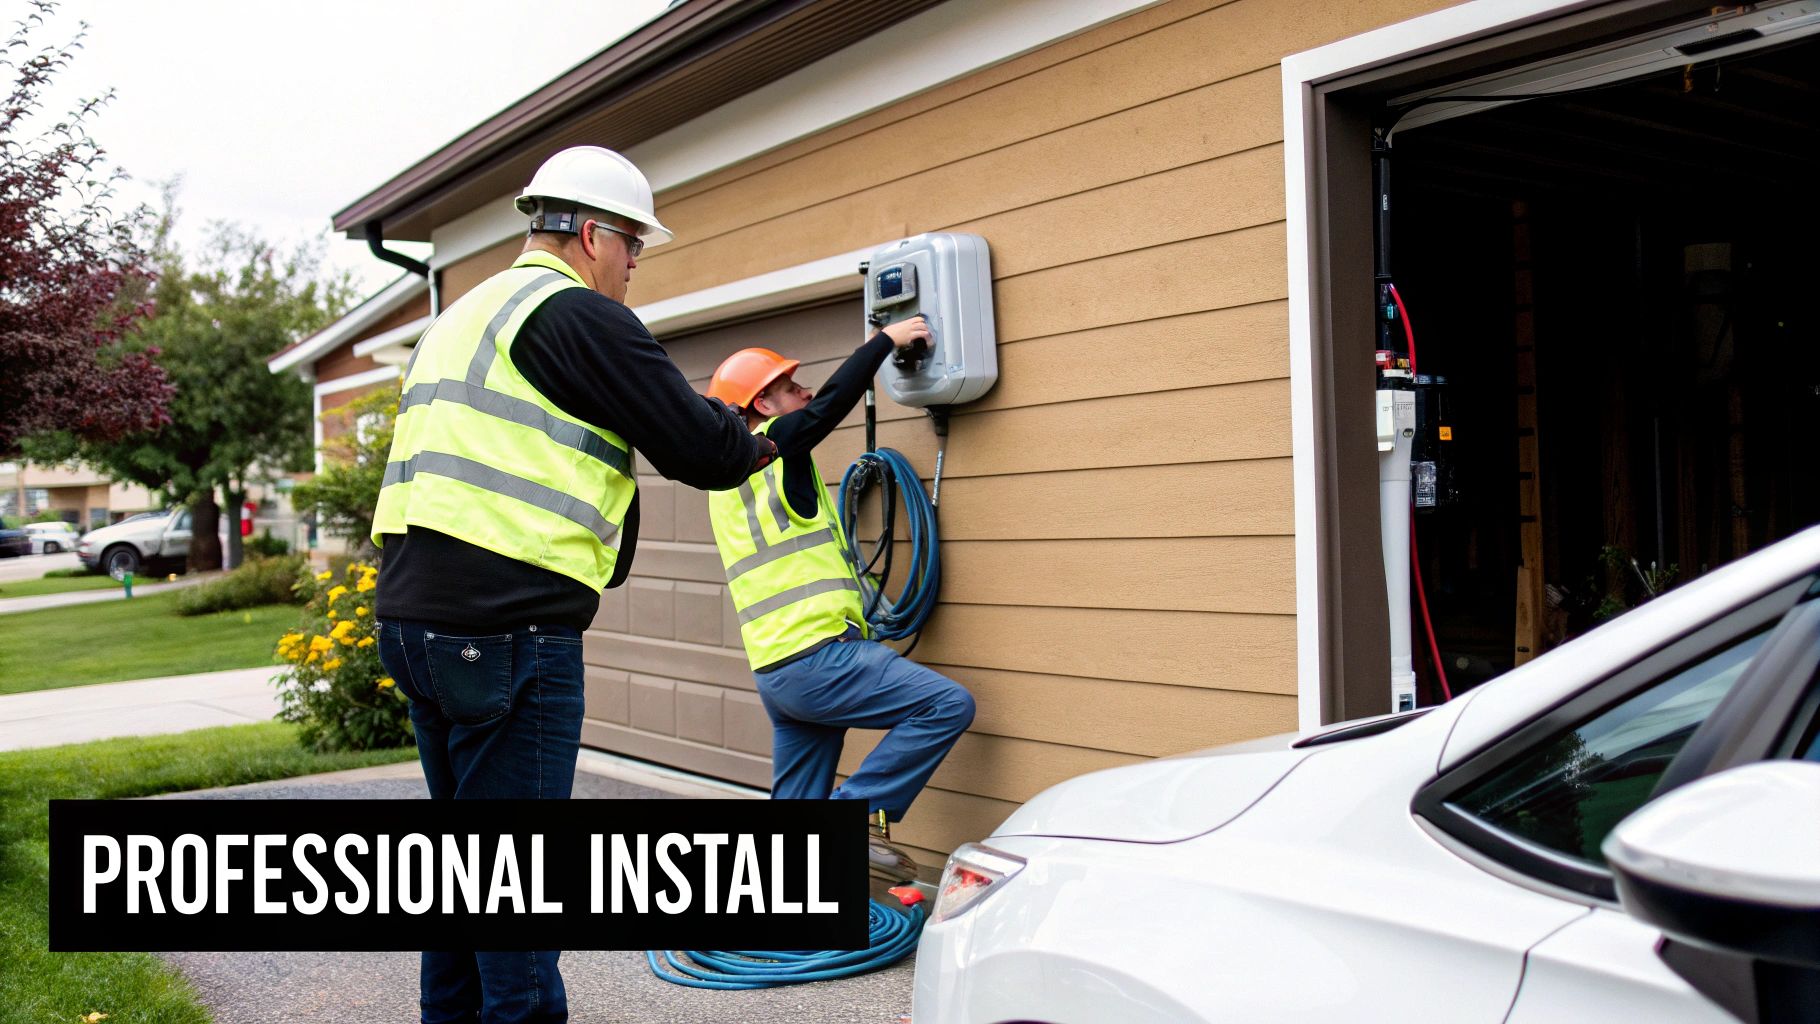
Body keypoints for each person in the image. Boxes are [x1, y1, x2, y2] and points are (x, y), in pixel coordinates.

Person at [370, 145, 775, 1024]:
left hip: (415, 621)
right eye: (634, 245)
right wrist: (754, 440)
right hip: (505, 633)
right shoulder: (579, 316)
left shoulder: (468, 311)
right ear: (593, 235)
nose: (635, 265)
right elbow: (704, 451)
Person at [703, 322, 976, 843]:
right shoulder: (776, 444)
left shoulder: (726, 479)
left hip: (777, 674)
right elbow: (827, 407)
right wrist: (885, 342)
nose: (804, 393)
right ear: (762, 404)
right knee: (947, 705)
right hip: (820, 658)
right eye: (790, 388)